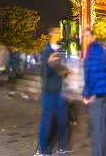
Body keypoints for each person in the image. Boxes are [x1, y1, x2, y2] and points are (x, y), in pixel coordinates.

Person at [36, 26, 71, 156]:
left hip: (61, 91)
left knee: (62, 120)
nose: (59, 34)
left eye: (60, 32)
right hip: (49, 91)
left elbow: (63, 69)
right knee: (46, 121)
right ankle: (43, 149)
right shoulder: (46, 50)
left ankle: (62, 146)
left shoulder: (61, 50)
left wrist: (65, 72)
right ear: (51, 34)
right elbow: (45, 72)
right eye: (57, 32)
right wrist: (50, 64)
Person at [82, 26, 106, 156]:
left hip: (96, 93)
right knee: (101, 127)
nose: (85, 38)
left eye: (88, 36)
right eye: (84, 36)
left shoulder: (92, 49)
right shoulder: (100, 48)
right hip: (104, 92)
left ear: (93, 36)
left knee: (96, 130)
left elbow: (92, 73)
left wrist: (88, 94)